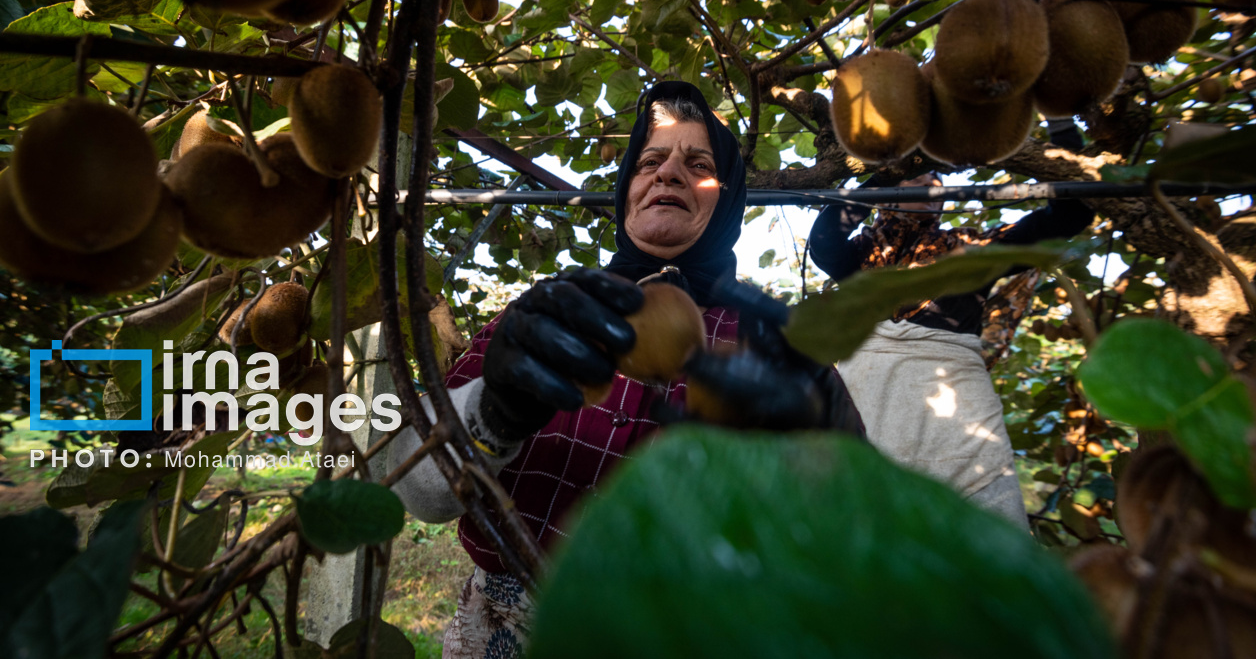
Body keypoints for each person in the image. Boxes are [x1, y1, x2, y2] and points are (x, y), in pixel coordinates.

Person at [391, 80, 859, 658]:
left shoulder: (773, 340)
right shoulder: (545, 314)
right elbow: (420, 492)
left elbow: (850, 530)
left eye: (699, 164)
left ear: (728, 197)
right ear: (626, 190)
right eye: (650, 162)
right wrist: (493, 408)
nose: (668, 175)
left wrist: (834, 447)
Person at [808, 169, 1095, 528]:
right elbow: (823, 240)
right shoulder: (860, 256)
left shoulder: (971, 252)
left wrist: (1061, 133)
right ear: (888, 194)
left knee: (989, 514)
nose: (932, 186)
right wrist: (883, 177)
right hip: (874, 393)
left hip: (958, 400)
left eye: (937, 181)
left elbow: (1067, 218)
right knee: (879, 517)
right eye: (916, 177)